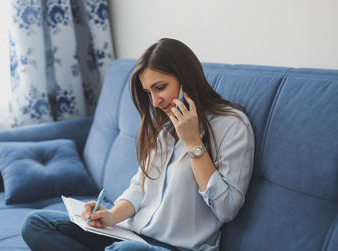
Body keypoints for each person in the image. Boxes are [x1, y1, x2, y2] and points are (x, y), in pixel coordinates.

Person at [21, 38, 255, 251]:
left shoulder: (232, 126)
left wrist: (193, 142)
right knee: (36, 224)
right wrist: (111, 216)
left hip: (176, 248)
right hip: (135, 237)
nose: (154, 101)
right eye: (148, 92)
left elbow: (226, 209)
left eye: (160, 87)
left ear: (187, 79)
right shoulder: (165, 127)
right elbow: (140, 188)